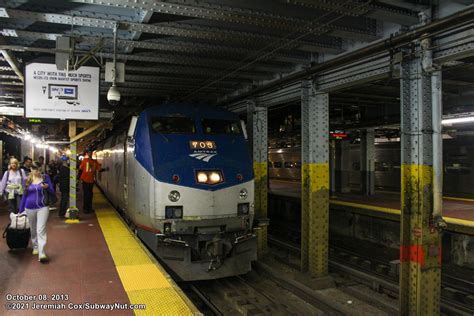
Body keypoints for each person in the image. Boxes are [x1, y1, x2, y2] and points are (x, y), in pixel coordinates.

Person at [19, 161, 55, 262]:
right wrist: (20, 210)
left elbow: (52, 191)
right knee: (33, 229)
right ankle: (35, 246)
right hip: (29, 207)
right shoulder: (26, 179)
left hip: (43, 207)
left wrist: (47, 188)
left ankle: (42, 252)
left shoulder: (45, 178)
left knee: (41, 229)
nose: (37, 171)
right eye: (34, 169)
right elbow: (24, 195)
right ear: (31, 169)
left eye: (38, 169)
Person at [78, 150, 101, 214]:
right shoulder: (85, 161)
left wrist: (105, 169)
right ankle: (86, 208)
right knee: (87, 195)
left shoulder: (94, 161)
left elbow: (99, 169)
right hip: (85, 180)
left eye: (90, 152)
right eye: (89, 153)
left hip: (90, 181)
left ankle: (89, 208)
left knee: (90, 195)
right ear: (87, 154)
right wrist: (78, 178)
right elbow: (80, 169)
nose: (90, 154)